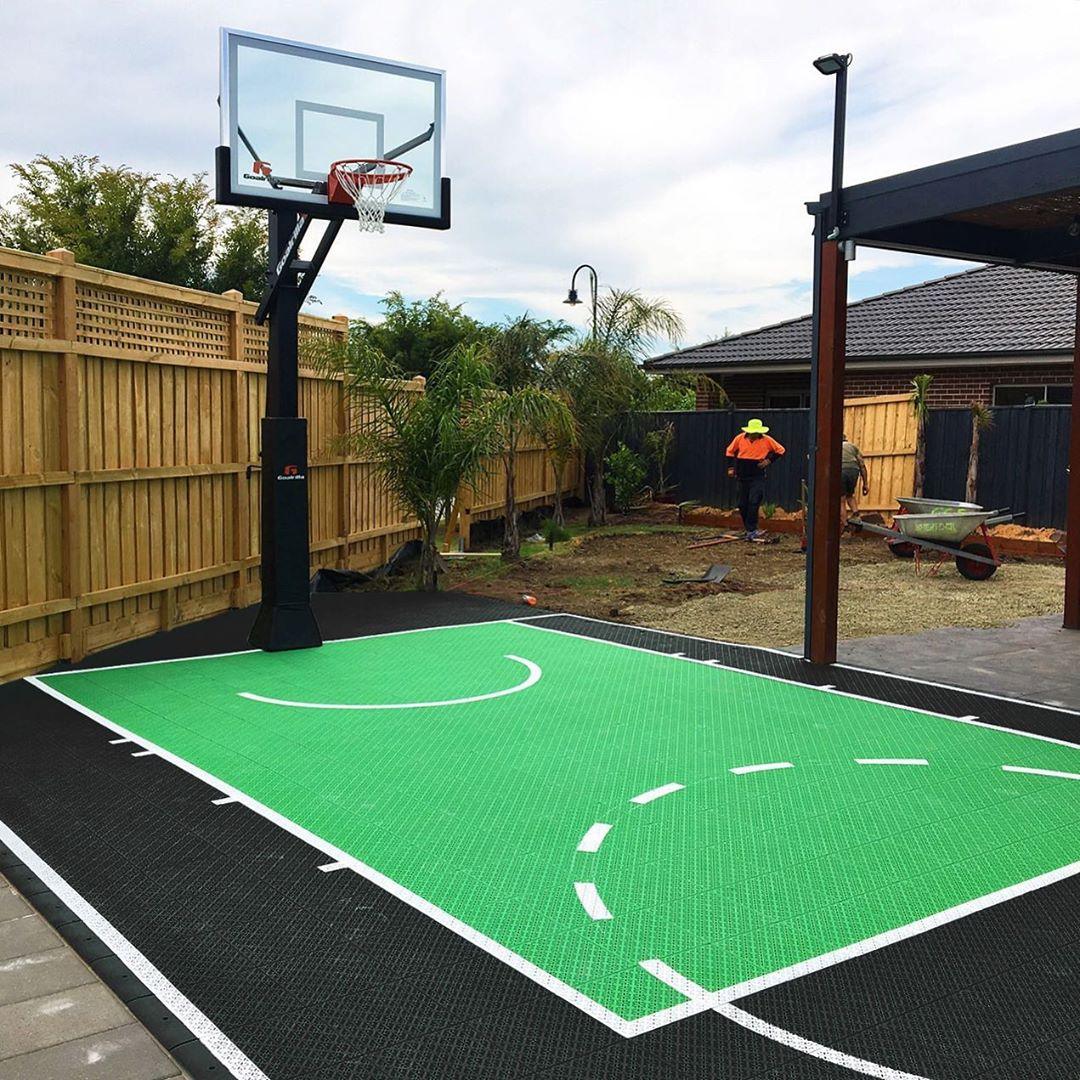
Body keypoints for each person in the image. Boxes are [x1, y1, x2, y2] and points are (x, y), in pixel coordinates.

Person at [726, 419, 786, 539]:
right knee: (742, 504)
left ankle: (751, 529)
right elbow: (729, 451)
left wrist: (768, 461)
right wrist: (731, 468)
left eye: (757, 432)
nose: (754, 434)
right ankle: (749, 528)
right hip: (742, 475)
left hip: (757, 475)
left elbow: (780, 450)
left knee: (754, 501)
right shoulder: (740, 438)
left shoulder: (767, 440)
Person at [840, 433, 870, 529]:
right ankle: (856, 515)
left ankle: (845, 525)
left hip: (841, 470)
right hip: (854, 470)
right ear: (846, 439)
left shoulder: (834, 447)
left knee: (841, 500)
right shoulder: (852, 447)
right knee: (850, 495)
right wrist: (865, 484)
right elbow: (862, 465)